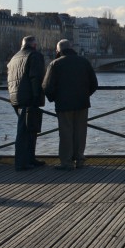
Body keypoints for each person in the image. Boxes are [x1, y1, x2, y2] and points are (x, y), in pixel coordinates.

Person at [43, 39, 98, 170]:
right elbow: (94, 84)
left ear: (59, 50)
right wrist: (85, 95)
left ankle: (67, 162)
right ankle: (80, 159)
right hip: (82, 103)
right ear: (72, 48)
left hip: (63, 104)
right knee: (80, 131)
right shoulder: (84, 62)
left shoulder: (55, 64)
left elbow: (46, 86)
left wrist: (54, 98)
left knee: (66, 132)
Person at [6, 35, 46, 171]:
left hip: (15, 97)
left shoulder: (14, 57)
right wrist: (36, 96)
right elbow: (37, 77)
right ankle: (22, 162)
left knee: (26, 130)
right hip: (29, 97)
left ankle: (29, 159)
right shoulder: (34, 56)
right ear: (34, 45)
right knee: (26, 131)